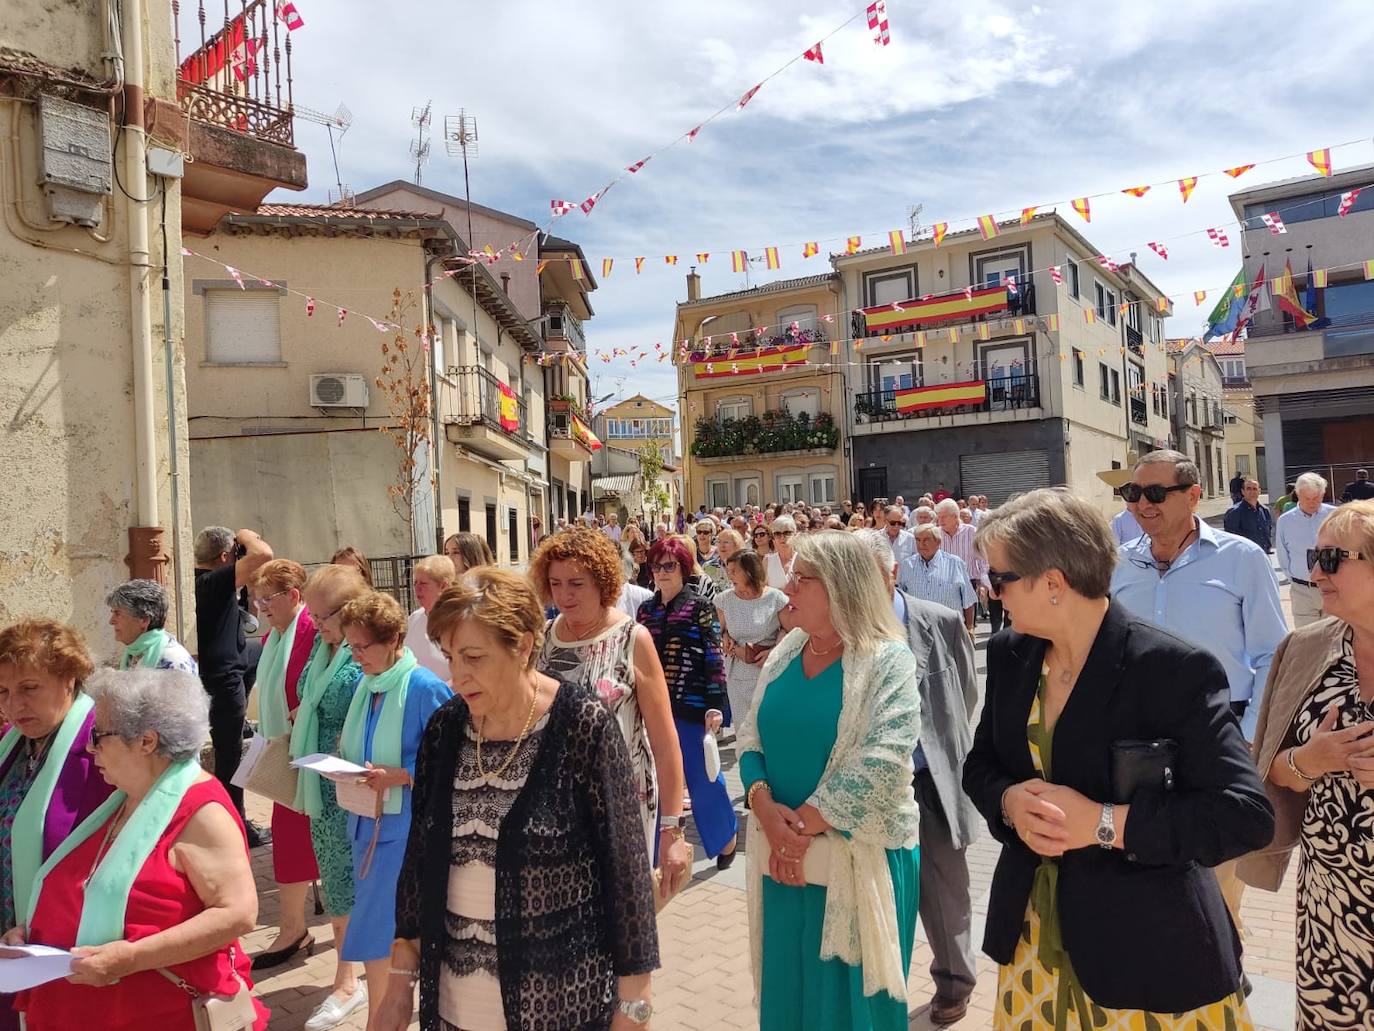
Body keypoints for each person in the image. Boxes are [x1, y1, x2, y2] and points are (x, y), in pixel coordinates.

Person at [964, 487, 1274, 1030]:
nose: (993, 593)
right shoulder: (1012, 654)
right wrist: (1010, 801)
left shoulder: (1171, 668)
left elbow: (1244, 816)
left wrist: (1104, 824)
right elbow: (981, 764)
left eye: (1000, 578)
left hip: (1151, 954)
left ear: (1053, 582)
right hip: (1035, 944)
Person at [375, 570, 660, 1031]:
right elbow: (420, 863)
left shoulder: (582, 727)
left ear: (524, 645)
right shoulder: (446, 730)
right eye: (450, 657)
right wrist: (399, 982)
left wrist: (635, 1003)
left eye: (473, 657)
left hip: (557, 1003)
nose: (457, 675)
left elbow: (625, 874)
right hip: (454, 1005)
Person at [10, 668, 269, 1030]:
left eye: (98, 735)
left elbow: (237, 914)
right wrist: (33, 932)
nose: (88, 746)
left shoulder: (201, 810)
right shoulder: (125, 797)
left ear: (146, 741)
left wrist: (129, 957)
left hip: (154, 1013)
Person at [738, 530, 922, 1030]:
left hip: (857, 859)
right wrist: (764, 810)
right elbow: (750, 738)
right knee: (790, 998)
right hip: (784, 862)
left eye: (801, 579)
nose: (788, 589)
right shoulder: (787, 651)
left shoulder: (889, 661)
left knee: (848, 1012)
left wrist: (797, 831)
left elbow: (882, 761)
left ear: (840, 587)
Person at [1111, 450, 1287, 940]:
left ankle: (1224, 967)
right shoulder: (1118, 565)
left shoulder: (1242, 558)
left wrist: (1248, 737)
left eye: (1154, 493)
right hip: (1139, 739)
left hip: (1219, 730)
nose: (1142, 505)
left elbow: (1271, 653)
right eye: (1133, 494)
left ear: (1192, 495)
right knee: (1148, 858)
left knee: (1219, 869)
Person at [1240, 500, 1374, 1031]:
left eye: (1333, 558)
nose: (1315, 571)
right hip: (1333, 901)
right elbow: (1272, 768)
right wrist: (1308, 760)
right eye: (1315, 556)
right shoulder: (1305, 648)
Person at [856, 529, 981, 1025]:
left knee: (946, 888)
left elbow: (968, 696)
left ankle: (955, 980)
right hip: (872, 787)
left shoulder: (943, 622)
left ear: (892, 573)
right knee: (876, 891)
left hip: (930, 782)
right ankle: (879, 987)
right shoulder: (847, 634)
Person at [528, 528, 691, 883]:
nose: (564, 595)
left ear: (602, 581)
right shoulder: (542, 640)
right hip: (553, 807)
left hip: (620, 805)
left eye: (576, 583)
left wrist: (672, 830)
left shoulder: (633, 639)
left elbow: (665, 744)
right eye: (555, 583)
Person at [336, 592, 451, 1028]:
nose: (356, 656)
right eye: (351, 646)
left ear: (395, 640)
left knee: (382, 933)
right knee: (376, 933)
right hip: (364, 822)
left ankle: (381, 1022)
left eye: (364, 646)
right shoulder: (367, 686)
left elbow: (450, 760)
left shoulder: (423, 687)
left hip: (403, 831)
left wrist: (401, 774)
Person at [0, 620, 115, 1031]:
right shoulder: (12, 744)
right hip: (10, 950)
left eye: (29, 688)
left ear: (68, 679)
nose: (15, 706)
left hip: (68, 951)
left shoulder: (105, 746)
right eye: (4, 692)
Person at [292, 566, 368, 1030]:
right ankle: (348, 977)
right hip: (320, 784)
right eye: (314, 613)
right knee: (336, 877)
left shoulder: (364, 651)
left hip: (354, 783)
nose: (315, 622)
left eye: (323, 614)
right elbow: (308, 698)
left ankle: (350, 979)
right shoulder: (325, 647)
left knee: (358, 881)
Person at [637, 536, 738, 865]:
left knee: (702, 776)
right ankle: (653, 853)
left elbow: (713, 655)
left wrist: (715, 704)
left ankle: (726, 837)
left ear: (682, 568)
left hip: (691, 706)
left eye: (669, 565)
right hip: (653, 707)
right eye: (656, 565)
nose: (662, 572)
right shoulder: (646, 610)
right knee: (653, 780)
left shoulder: (699, 606)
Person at [245, 559, 321, 970]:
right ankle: (293, 928)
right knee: (291, 842)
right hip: (287, 756)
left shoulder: (311, 630)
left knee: (311, 846)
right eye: (256, 600)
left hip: (310, 755)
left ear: (294, 596)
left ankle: (297, 930)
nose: (260, 608)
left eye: (267, 599)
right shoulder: (278, 637)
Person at [192, 525, 273, 845]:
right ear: (225, 556)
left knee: (261, 649)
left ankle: (241, 726)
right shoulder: (213, 580)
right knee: (230, 760)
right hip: (223, 681)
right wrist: (245, 533)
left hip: (230, 668)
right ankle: (238, 825)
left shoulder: (200, 579)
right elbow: (263, 554)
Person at [715, 551, 788, 726]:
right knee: (744, 732)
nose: (729, 575)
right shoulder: (724, 600)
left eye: (734, 571)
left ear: (749, 571)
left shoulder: (776, 598)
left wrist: (773, 652)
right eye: (728, 570)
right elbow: (721, 631)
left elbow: (790, 629)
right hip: (738, 674)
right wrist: (724, 638)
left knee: (769, 728)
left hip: (769, 671)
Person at [1276, 472, 1338, 629]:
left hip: (1332, 587)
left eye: (1316, 498)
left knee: (1333, 641)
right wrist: (1297, 579)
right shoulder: (1285, 521)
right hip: (1302, 590)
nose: (1312, 503)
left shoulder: (1334, 516)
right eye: (1307, 498)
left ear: (1323, 495)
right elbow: (1283, 556)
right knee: (1307, 642)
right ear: (1297, 494)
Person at [105, 580, 197, 672]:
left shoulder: (173, 663)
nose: (111, 621)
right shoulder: (133, 653)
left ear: (144, 620)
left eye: (118, 613)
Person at [898, 525, 976, 632]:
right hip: (918, 630)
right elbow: (901, 599)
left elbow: (968, 600)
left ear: (938, 542)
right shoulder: (907, 565)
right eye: (918, 540)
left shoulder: (955, 563)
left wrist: (970, 628)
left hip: (950, 629)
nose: (921, 544)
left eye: (926, 540)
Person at [403, 554, 458, 679]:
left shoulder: (460, 622)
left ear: (443, 586)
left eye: (423, 583)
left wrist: (439, 691)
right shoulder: (413, 619)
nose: (417, 588)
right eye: (415, 583)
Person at [936, 498, 989, 622]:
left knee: (968, 624)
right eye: (939, 517)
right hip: (942, 583)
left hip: (967, 583)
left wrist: (984, 583)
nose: (940, 521)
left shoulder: (971, 532)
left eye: (944, 517)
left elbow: (982, 559)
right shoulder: (936, 534)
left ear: (955, 516)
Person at [1224, 478, 1274, 553]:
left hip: (1263, 555)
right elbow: (1231, 538)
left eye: (1255, 489)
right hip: (1245, 557)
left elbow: (1267, 533)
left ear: (1259, 491)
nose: (1252, 491)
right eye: (1248, 489)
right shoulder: (1234, 512)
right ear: (1243, 492)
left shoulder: (1265, 510)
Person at [764, 516, 799, 590]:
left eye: (787, 533)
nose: (782, 537)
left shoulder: (802, 560)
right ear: (773, 538)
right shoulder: (767, 561)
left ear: (795, 535)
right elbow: (764, 591)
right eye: (777, 534)